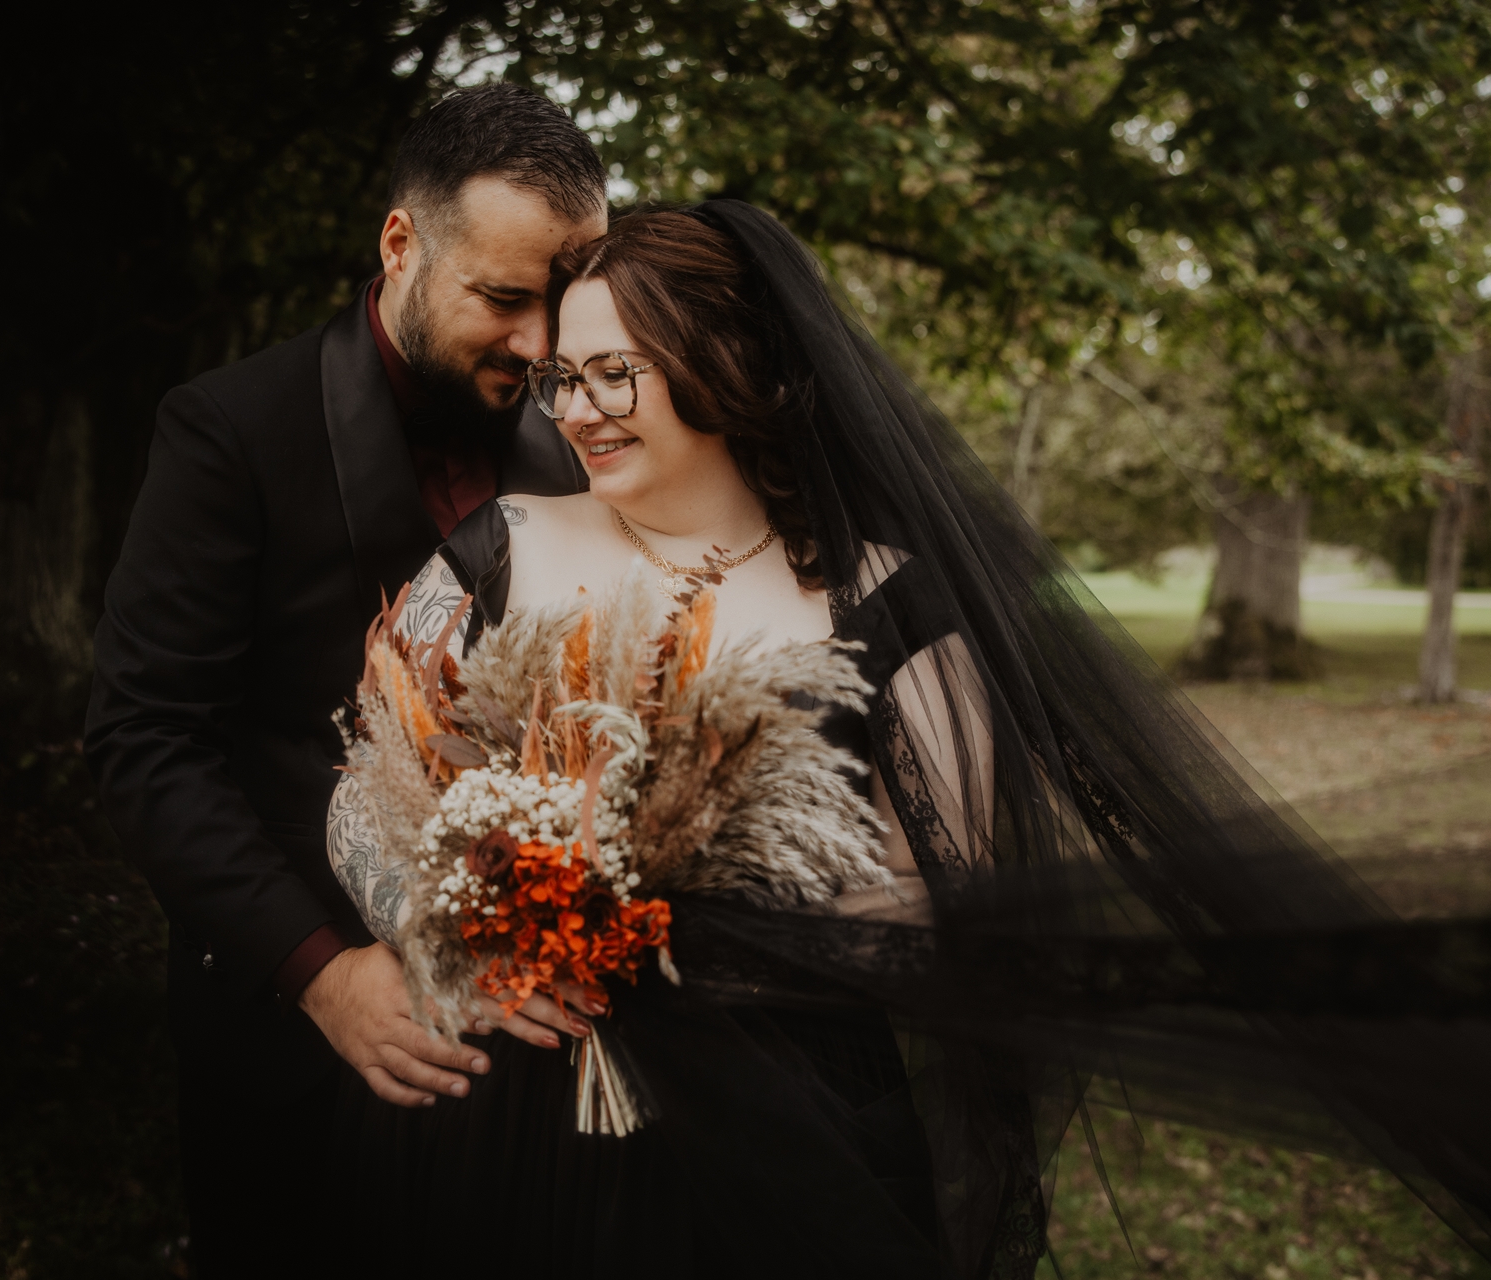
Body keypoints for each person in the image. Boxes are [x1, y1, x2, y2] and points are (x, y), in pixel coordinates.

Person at [326, 204, 1491, 1276]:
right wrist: (463, 930)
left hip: (792, 1123)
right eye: (563, 379)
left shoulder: (888, 605)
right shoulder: (501, 544)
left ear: (727, 365)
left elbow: (956, 900)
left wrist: (676, 924)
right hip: (513, 1114)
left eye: (614, 373)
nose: (576, 409)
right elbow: (360, 790)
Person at [84, 84, 610, 1274]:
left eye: (561, 304)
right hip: (293, 1024)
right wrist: (324, 976)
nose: (540, 348)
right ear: (399, 243)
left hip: (531, 1048)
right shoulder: (228, 429)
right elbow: (143, 736)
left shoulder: (579, 443)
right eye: (503, 298)